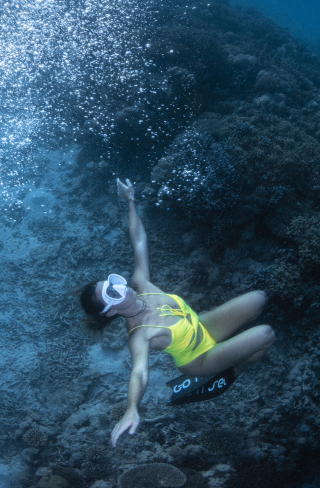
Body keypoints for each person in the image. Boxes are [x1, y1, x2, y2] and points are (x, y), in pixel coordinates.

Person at [79, 178, 275, 447]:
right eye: (112, 293)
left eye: (114, 282)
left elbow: (139, 239)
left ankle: (233, 353)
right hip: (200, 359)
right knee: (266, 335)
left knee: (259, 298)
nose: (121, 287)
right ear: (111, 313)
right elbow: (139, 372)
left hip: (203, 325)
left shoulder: (142, 284)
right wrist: (131, 408)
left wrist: (130, 200)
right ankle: (233, 371)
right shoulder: (139, 334)